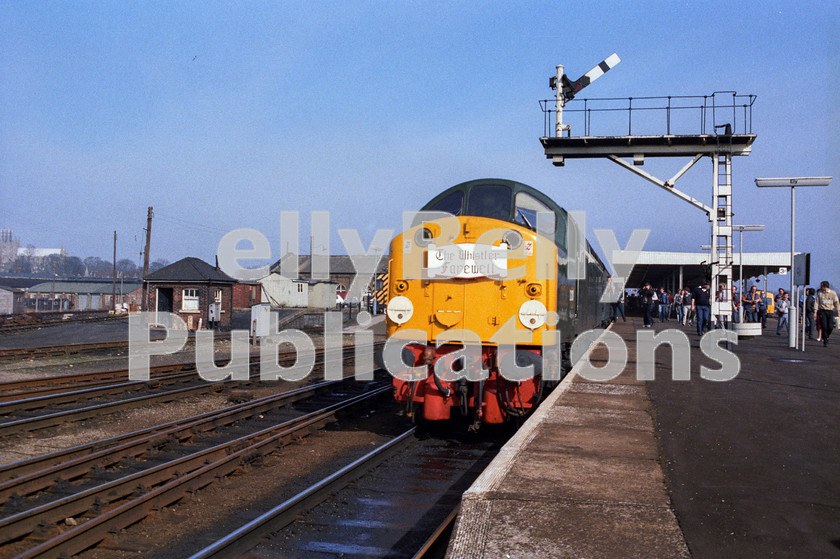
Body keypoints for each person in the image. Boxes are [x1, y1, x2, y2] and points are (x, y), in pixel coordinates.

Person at [814, 281, 840, 347]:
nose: (820, 287)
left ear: (825, 287)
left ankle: (827, 335)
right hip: (822, 311)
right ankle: (825, 340)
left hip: (830, 311)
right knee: (824, 326)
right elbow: (817, 303)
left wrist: (838, 311)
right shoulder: (820, 294)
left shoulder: (833, 293)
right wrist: (815, 311)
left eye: (821, 286)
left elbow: (836, 303)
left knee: (830, 327)